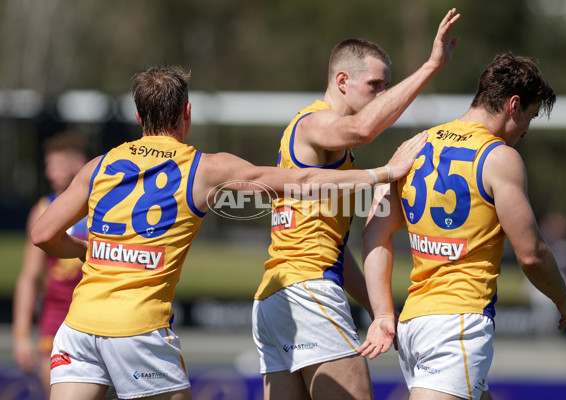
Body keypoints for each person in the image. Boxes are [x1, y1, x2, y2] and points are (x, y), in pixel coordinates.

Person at [30, 65, 428, 400]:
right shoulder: (204, 169)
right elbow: (303, 181)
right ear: (187, 112)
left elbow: (43, 232)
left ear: (139, 117)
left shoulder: (100, 165)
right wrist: (384, 173)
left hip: (77, 328)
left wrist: (84, 251)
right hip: (137, 329)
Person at [252, 8, 460, 400]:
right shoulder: (314, 122)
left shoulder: (333, 150)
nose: (382, 95)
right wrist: (432, 66)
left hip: (275, 297)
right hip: (308, 291)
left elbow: (333, 253)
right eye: (376, 85)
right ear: (342, 80)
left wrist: (382, 313)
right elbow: (362, 129)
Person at [358, 53, 566, 400]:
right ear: (513, 105)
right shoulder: (499, 158)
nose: (525, 132)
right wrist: (564, 300)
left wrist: (383, 312)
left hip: (414, 324)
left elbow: (373, 234)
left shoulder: (414, 147)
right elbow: (532, 255)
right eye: (530, 118)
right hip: (457, 324)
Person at [12, 132, 89, 397]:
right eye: (48, 165)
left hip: (95, 316)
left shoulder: (101, 209)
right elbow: (29, 278)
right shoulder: (41, 210)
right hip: (54, 321)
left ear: (78, 164)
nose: (48, 172)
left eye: (56, 165)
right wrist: (21, 335)